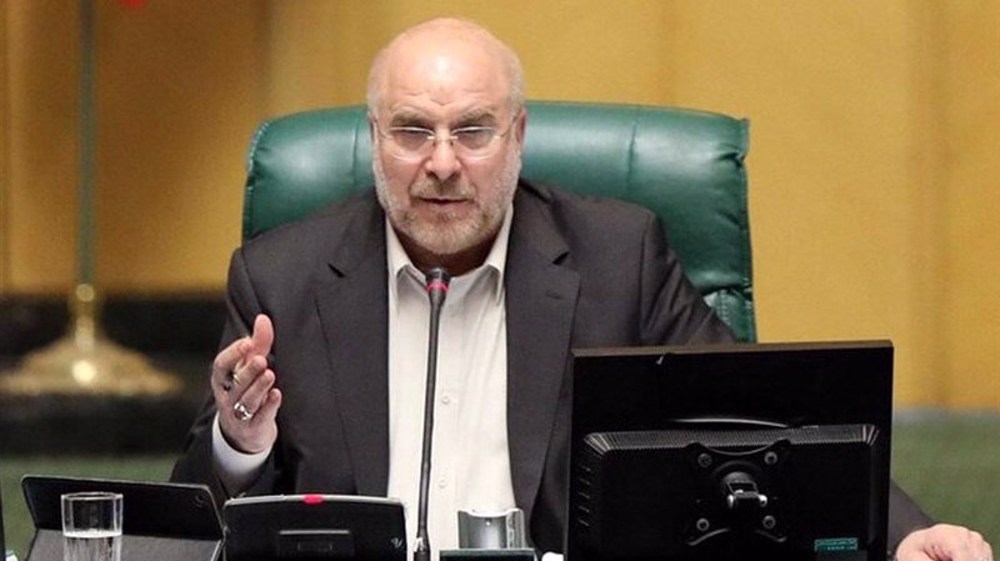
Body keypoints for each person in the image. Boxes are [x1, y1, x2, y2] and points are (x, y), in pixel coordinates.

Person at [172, 17, 993, 561]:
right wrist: (239, 443)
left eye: (475, 129)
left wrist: (907, 536)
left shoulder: (616, 258)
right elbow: (188, 518)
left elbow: (763, 428)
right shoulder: (281, 275)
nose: (444, 162)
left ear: (520, 136)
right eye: (413, 130)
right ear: (375, 138)